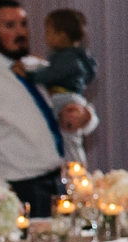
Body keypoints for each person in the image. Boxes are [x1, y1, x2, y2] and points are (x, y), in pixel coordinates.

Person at [0, 0, 96, 216]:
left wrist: (86, 116)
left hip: (60, 184)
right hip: (20, 189)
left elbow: (74, 106)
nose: (21, 32)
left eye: (24, 24)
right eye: (10, 26)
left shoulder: (38, 67)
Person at [39, 10, 97, 162]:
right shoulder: (78, 57)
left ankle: (74, 164)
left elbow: (51, 75)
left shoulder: (67, 58)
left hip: (63, 97)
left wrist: (31, 74)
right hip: (71, 97)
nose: (45, 36)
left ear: (62, 36)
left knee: (65, 133)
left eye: (49, 32)